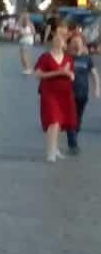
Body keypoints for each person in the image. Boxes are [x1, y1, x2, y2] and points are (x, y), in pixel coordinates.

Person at [33, 30, 77, 163]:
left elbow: (72, 76)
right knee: (53, 121)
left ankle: (55, 149)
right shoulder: (45, 57)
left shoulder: (68, 58)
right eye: (57, 40)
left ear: (64, 44)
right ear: (53, 42)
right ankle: (50, 153)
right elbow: (38, 74)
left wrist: (69, 74)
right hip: (49, 93)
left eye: (61, 41)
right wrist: (57, 72)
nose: (59, 42)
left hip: (64, 94)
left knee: (59, 123)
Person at [65, 35, 99, 155]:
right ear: (70, 44)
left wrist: (97, 89)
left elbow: (94, 74)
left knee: (78, 118)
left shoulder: (87, 58)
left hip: (83, 93)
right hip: (68, 93)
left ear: (83, 44)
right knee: (71, 117)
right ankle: (73, 144)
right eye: (74, 41)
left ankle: (74, 135)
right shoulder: (67, 58)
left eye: (79, 41)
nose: (77, 44)